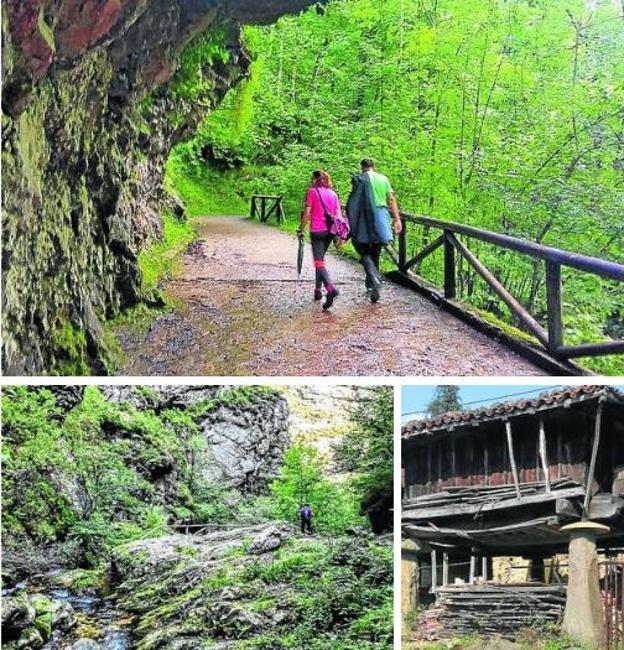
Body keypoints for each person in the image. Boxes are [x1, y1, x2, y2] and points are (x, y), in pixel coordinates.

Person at [346, 159, 402, 302]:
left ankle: (374, 279)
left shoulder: (359, 179)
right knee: (376, 248)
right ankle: (371, 283)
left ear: (362, 167)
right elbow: (391, 199)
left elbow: (353, 202)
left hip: (363, 217)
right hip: (381, 217)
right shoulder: (383, 179)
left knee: (361, 247)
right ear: (373, 167)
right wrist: (397, 219)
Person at [297, 170, 341, 310]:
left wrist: (301, 228)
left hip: (317, 230)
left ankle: (330, 288)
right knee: (320, 260)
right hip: (329, 232)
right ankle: (317, 290)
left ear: (316, 179)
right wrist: (339, 235)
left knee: (318, 262)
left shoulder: (312, 192)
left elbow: (307, 212)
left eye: (312, 178)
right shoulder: (333, 194)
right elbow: (338, 215)